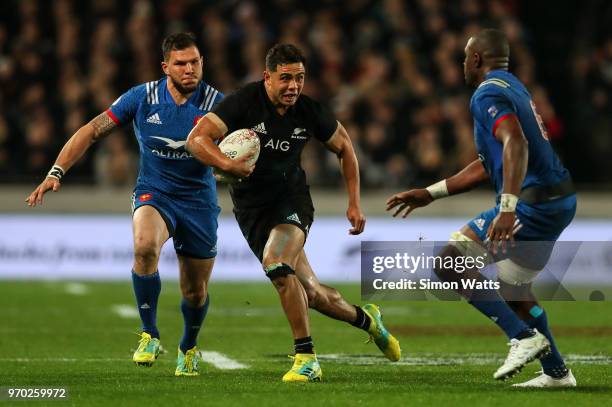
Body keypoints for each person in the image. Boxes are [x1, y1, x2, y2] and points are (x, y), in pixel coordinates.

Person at [25, 32, 247, 377]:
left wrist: (233, 169)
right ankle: (150, 333)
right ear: (165, 67)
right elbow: (91, 130)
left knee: (195, 291)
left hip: (199, 201)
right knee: (144, 247)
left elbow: (241, 151)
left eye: (195, 62)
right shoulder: (142, 97)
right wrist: (57, 171)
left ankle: (188, 346)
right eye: (181, 63)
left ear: (203, 62)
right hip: (154, 192)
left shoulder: (219, 104)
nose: (190, 69)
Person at [185, 44, 401, 383]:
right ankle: (368, 320)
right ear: (267, 78)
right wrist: (227, 164)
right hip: (251, 211)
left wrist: (354, 202)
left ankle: (306, 357)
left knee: (276, 262)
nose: (293, 87)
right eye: (285, 78)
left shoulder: (309, 111)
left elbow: (345, 147)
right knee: (311, 294)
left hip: (292, 203)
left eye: (300, 78)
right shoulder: (243, 102)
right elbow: (196, 140)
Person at [387, 29, 577, 387]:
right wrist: (431, 193)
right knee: (514, 290)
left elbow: (515, 145)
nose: (462, 64)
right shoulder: (513, 87)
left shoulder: (485, 93)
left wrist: (507, 209)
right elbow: (490, 162)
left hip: (531, 204)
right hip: (558, 200)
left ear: (475, 59)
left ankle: (520, 337)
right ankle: (556, 373)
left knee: (448, 262)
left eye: (463, 57)